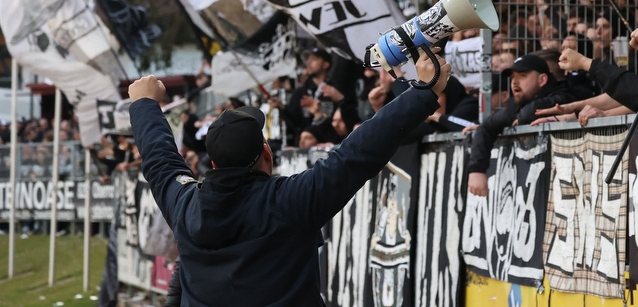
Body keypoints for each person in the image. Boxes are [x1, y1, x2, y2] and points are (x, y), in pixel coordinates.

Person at [127, 50, 450, 307]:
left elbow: (160, 162)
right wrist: (423, 92)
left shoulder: (186, 206)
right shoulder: (289, 201)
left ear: (213, 162)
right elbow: (358, 153)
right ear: (266, 153)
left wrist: (144, 105)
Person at [466, 54, 576, 196]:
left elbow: (532, 111)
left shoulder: (563, 97)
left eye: (522, 76)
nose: (515, 82)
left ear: (542, 80)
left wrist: (522, 117)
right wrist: (476, 170)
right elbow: (486, 127)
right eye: (512, 77)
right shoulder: (518, 105)